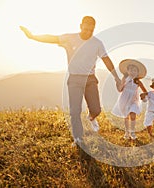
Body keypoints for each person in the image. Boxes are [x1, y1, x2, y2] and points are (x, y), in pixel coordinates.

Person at [20, 16, 121, 146]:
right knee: (75, 111)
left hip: (90, 79)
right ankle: (78, 138)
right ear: (80, 26)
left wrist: (116, 78)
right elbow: (52, 38)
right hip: (74, 79)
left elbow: (107, 60)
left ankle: (92, 118)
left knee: (96, 110)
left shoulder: (97, 43)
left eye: (91, 30)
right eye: (86, 29)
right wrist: (33, 36)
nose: (88, 32)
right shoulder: (70, 37)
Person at [112, 59, 147, 140]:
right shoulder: (125, 78)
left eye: (134, 70)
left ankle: (132, 131)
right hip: (124, 100)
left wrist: (144, 96)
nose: (132, 72)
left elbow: (144, 90)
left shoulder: (138, 81)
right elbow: (120, 89)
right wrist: (117, 83)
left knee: (133, 114)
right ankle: (127, 132)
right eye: (130, 70)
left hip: (134, 100)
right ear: (127, 71)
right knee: (126, 116)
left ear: (137, 73)